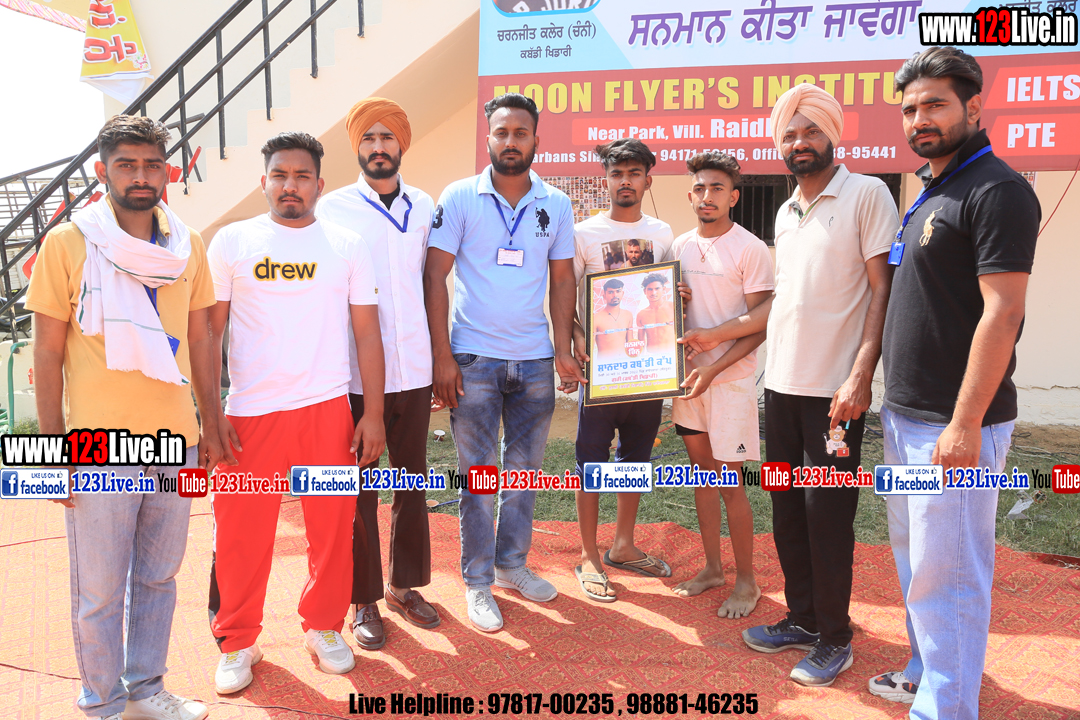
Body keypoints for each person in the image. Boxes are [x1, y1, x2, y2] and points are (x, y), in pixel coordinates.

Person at [26, 115, 221, 720]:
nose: (141, 176)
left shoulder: (187, 245)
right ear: (102, 171)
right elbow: (47, 352)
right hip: (96, 447)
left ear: (168, 171)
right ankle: (102, 703)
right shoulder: (68, 243)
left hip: (176, 441)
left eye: (151, 165)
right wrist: (52, 451)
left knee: (160, 578)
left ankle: (146, 689)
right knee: (100, 589)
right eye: (126, 164)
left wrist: (210, 425)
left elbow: (202, 338)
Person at [870, 47, 1039, 719]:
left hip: (953, 426)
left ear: (973, 106)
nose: (920, 119)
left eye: (935, 104)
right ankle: (925, 673)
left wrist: (965, 424)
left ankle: (946, 709)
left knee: (952, 580)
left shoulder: (996, 190)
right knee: (918, 567)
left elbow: (1004, 311)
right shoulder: (932, 190)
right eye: (910, 109)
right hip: (905, 416)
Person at [207, 132, 386, 691]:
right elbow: (210, 332)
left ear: (319, 184)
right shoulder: (232, 241)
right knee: (241, 534)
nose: (291, 185)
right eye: (280, 175)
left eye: (302, 176)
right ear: (264, 182)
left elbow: (367, 333)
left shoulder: (347, 244)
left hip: (325, 407)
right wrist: (209, 413)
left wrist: (373, 413)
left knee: (331, 530)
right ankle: (238, 639)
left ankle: (324, 626)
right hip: (250, 413)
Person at [740, 83, 898, 687]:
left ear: (833, 134)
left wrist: (861, 374)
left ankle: (835, 637)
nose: (800, 142)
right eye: (789, 134)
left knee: (826, 516)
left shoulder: (867, 194)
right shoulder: (786, 211)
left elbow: (882, 290)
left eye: (811, 131)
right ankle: (802, 619)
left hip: (835, 394)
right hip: (780, 390)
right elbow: (787, 300)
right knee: (786, 511)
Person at [424, 92, 582, 631]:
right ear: (488, 137)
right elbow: (434, 276)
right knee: (479, 476)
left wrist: (562, 351)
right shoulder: (460, 197)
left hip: (534, 361)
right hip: (474, 359)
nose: (510, 141)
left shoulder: (555, 203)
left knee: (523, 474)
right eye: (501, 132)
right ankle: (477, 581)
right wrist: (442, 355)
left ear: (536, 139)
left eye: (520, 132)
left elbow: (562, 280)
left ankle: (512, 564)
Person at [317, 98, 439, 652]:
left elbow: (430, 283)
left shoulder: (424, 205)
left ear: (401, 144)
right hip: (354, 374)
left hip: (413, 367)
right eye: (369, 138)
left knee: (411, 482)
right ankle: (361, 598)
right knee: (359, 491)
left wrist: (440, 358)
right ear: (357, 147)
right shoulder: (333, 208)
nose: (379, 147)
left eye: (387, 137)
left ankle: (403, 586)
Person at [569, 138, 678, 602]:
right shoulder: (584, 233)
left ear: (648, 181)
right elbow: (563, 293)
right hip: (601, 372)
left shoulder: (663, 233)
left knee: (635, 458)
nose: (625, 181)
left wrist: (680, 297)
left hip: (648, 370)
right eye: (617, 174)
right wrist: (575, 336)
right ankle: (589, 555)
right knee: (591, 461)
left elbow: (667, 297)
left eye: (634, 173)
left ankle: (623, 545)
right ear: (606, 180)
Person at [669, 152, 774, 620]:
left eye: (717, 188)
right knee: (702, 478)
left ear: (733, 196)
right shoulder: (679, 246)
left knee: (730, 483)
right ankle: (712, 568)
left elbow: (762, 322)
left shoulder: (750, 248)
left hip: (729, 380)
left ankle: (747, 580)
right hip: (689, 381)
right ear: (690, 195)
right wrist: (673, 302)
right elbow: (672, 316)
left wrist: (714, 364)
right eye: (700, 188)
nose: (707, 196)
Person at [592, 278, 635, 359]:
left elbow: (630, 344)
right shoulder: (596, 318)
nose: (615, 295)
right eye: (610, 292)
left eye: (618, 291)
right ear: (604, 295)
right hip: (604, 364)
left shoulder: (628, 315)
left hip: (624, 362)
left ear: (622, 293)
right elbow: (590, 349)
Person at [636, 273, 676, 351]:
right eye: (650, 289)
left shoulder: (673, 307)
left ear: (663, 289)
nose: (653, 293)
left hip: (671, 354)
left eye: (657, 289)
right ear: (645, 291)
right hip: (651, 356)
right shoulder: (641, 315)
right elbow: (641, 343)